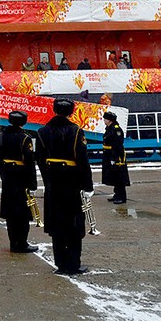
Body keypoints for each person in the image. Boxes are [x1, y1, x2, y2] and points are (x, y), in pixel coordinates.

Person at [36, 98, 93, 276]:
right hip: (72, 182)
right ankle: (73, 263)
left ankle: (60, 263)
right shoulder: (76, 131)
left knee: (57, 223)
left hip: (53, 182)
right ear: (71, 112)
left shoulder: (42, 132)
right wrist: (87, 184)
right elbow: (83, 160)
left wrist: (48, 179)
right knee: (74, 223)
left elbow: (40, 159)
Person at [0, 111, 38, 253]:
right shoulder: (25, 138)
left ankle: (13, 241)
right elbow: (29, 162)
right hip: (21, 177)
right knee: (22, 213)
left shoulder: (0, 136)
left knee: (10, 212)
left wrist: (4, 174)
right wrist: (32, 182)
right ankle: (21, 242)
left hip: (8, 177)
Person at [101, 111, 129, 204]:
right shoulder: (110, 128)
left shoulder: (116, 130)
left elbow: (117, 145)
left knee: (119, 176)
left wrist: (114, 158)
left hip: (115, 155)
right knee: (114, 176)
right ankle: (117, 194)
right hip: (109, 155)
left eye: (105, 119)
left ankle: (122, 196)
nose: (104, 120)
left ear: (110, 120)